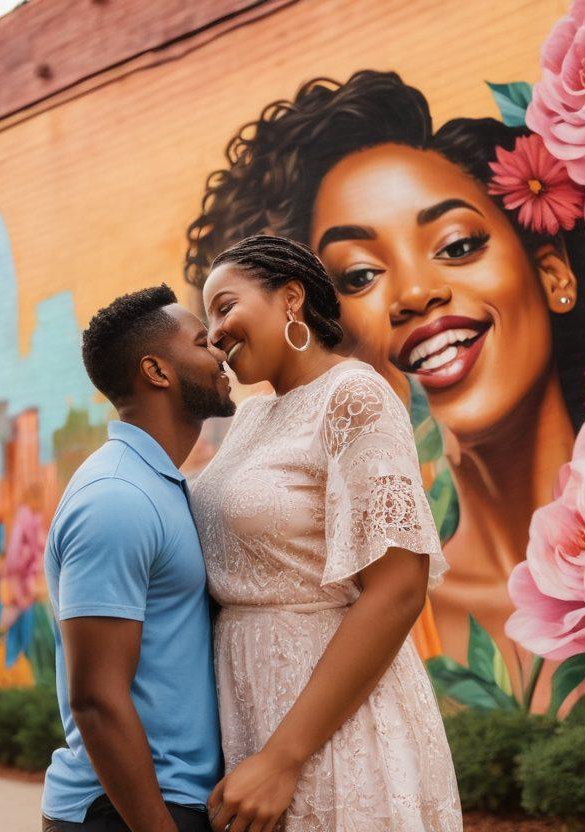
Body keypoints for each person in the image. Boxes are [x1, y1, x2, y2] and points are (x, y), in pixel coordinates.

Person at [185, 70, 585, 690]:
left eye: (457, 244)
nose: (414, 294)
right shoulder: (365, 603)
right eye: (359, 276)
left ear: (553, 274)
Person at [194, 235, 461, 830]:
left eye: (225, 306)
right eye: (207, 317)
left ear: (290, 299)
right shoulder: (253, 417)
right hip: (251, 709)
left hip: (330, 731)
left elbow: (397, 591)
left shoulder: (354, 395)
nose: (214, 333)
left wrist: (284, 757)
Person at [41, 285, 235, 832]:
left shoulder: (159, 484)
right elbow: (97, 699)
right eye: (201, 341)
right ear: (157, 371)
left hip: (169, 803)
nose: (220, 351)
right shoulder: (116, 498)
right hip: (129, 812)